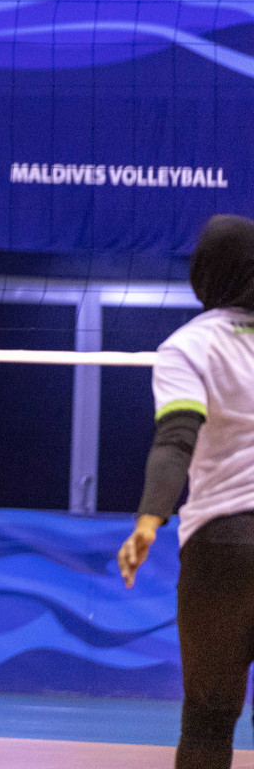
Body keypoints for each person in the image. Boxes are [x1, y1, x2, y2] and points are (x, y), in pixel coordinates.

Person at [120, 214, 254, 769]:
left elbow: (176, 439)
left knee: (208, 715)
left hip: (224, 544)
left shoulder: (187, 347)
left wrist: (150, 519)